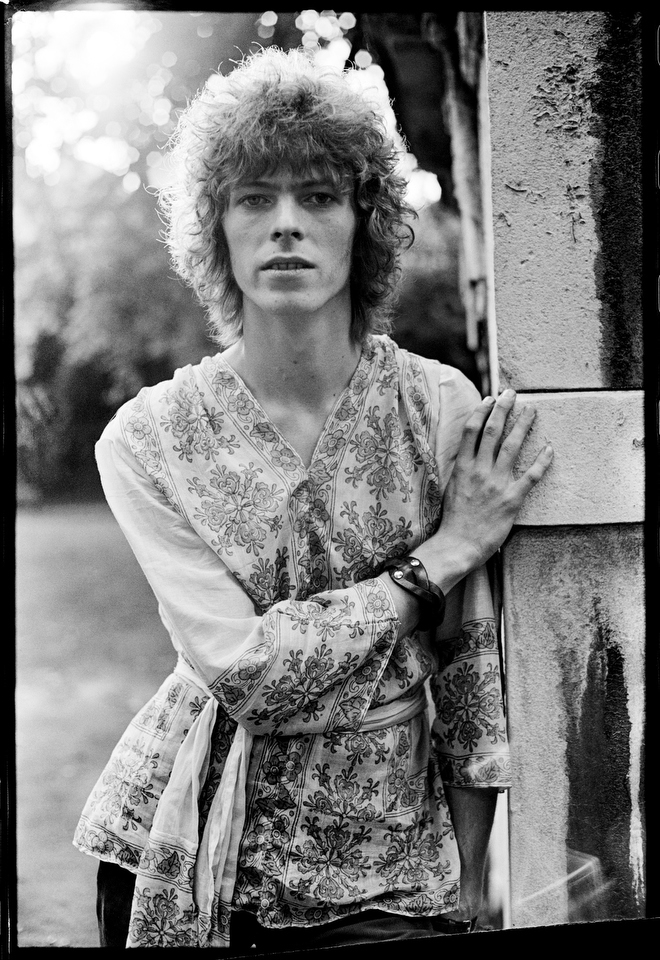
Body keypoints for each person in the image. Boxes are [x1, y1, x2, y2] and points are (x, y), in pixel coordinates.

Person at [73, 46, 553, 950]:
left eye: (319, 197)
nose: (285, 224)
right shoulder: (147, 440)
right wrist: (442, 557)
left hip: (391, 866)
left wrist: (471, 871)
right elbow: (249, 674)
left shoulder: (438, 407)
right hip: (182, 845)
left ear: (364, 222)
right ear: (215, 228)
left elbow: (470, 663)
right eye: (255, 199)